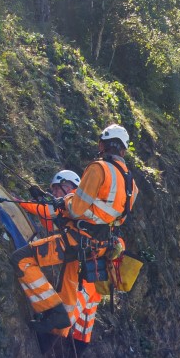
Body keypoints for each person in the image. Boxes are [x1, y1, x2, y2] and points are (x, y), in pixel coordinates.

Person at [62, 123, 139, 345]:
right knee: (89, 298)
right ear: (123, 149)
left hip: (81, 238)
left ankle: (58, 333)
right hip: (105, 243)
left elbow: (76, 209)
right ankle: (79, 342)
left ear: (102, 144)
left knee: (74, 287)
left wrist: (66, 200)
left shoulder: (99, 169)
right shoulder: (131, 183)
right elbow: (119, 217)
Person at [14, 170, 81, 350]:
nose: (56, 194)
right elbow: (50, 218)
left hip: (77, 245)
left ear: (67, 186)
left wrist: (21, 203)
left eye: (58, 190)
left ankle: (54, 316)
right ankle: (55, 333)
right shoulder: (77, 203)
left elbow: (48, 210)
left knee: (22, 259)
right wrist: (42, 199)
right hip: (86, 251)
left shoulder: (74, 199)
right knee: (68, 290)